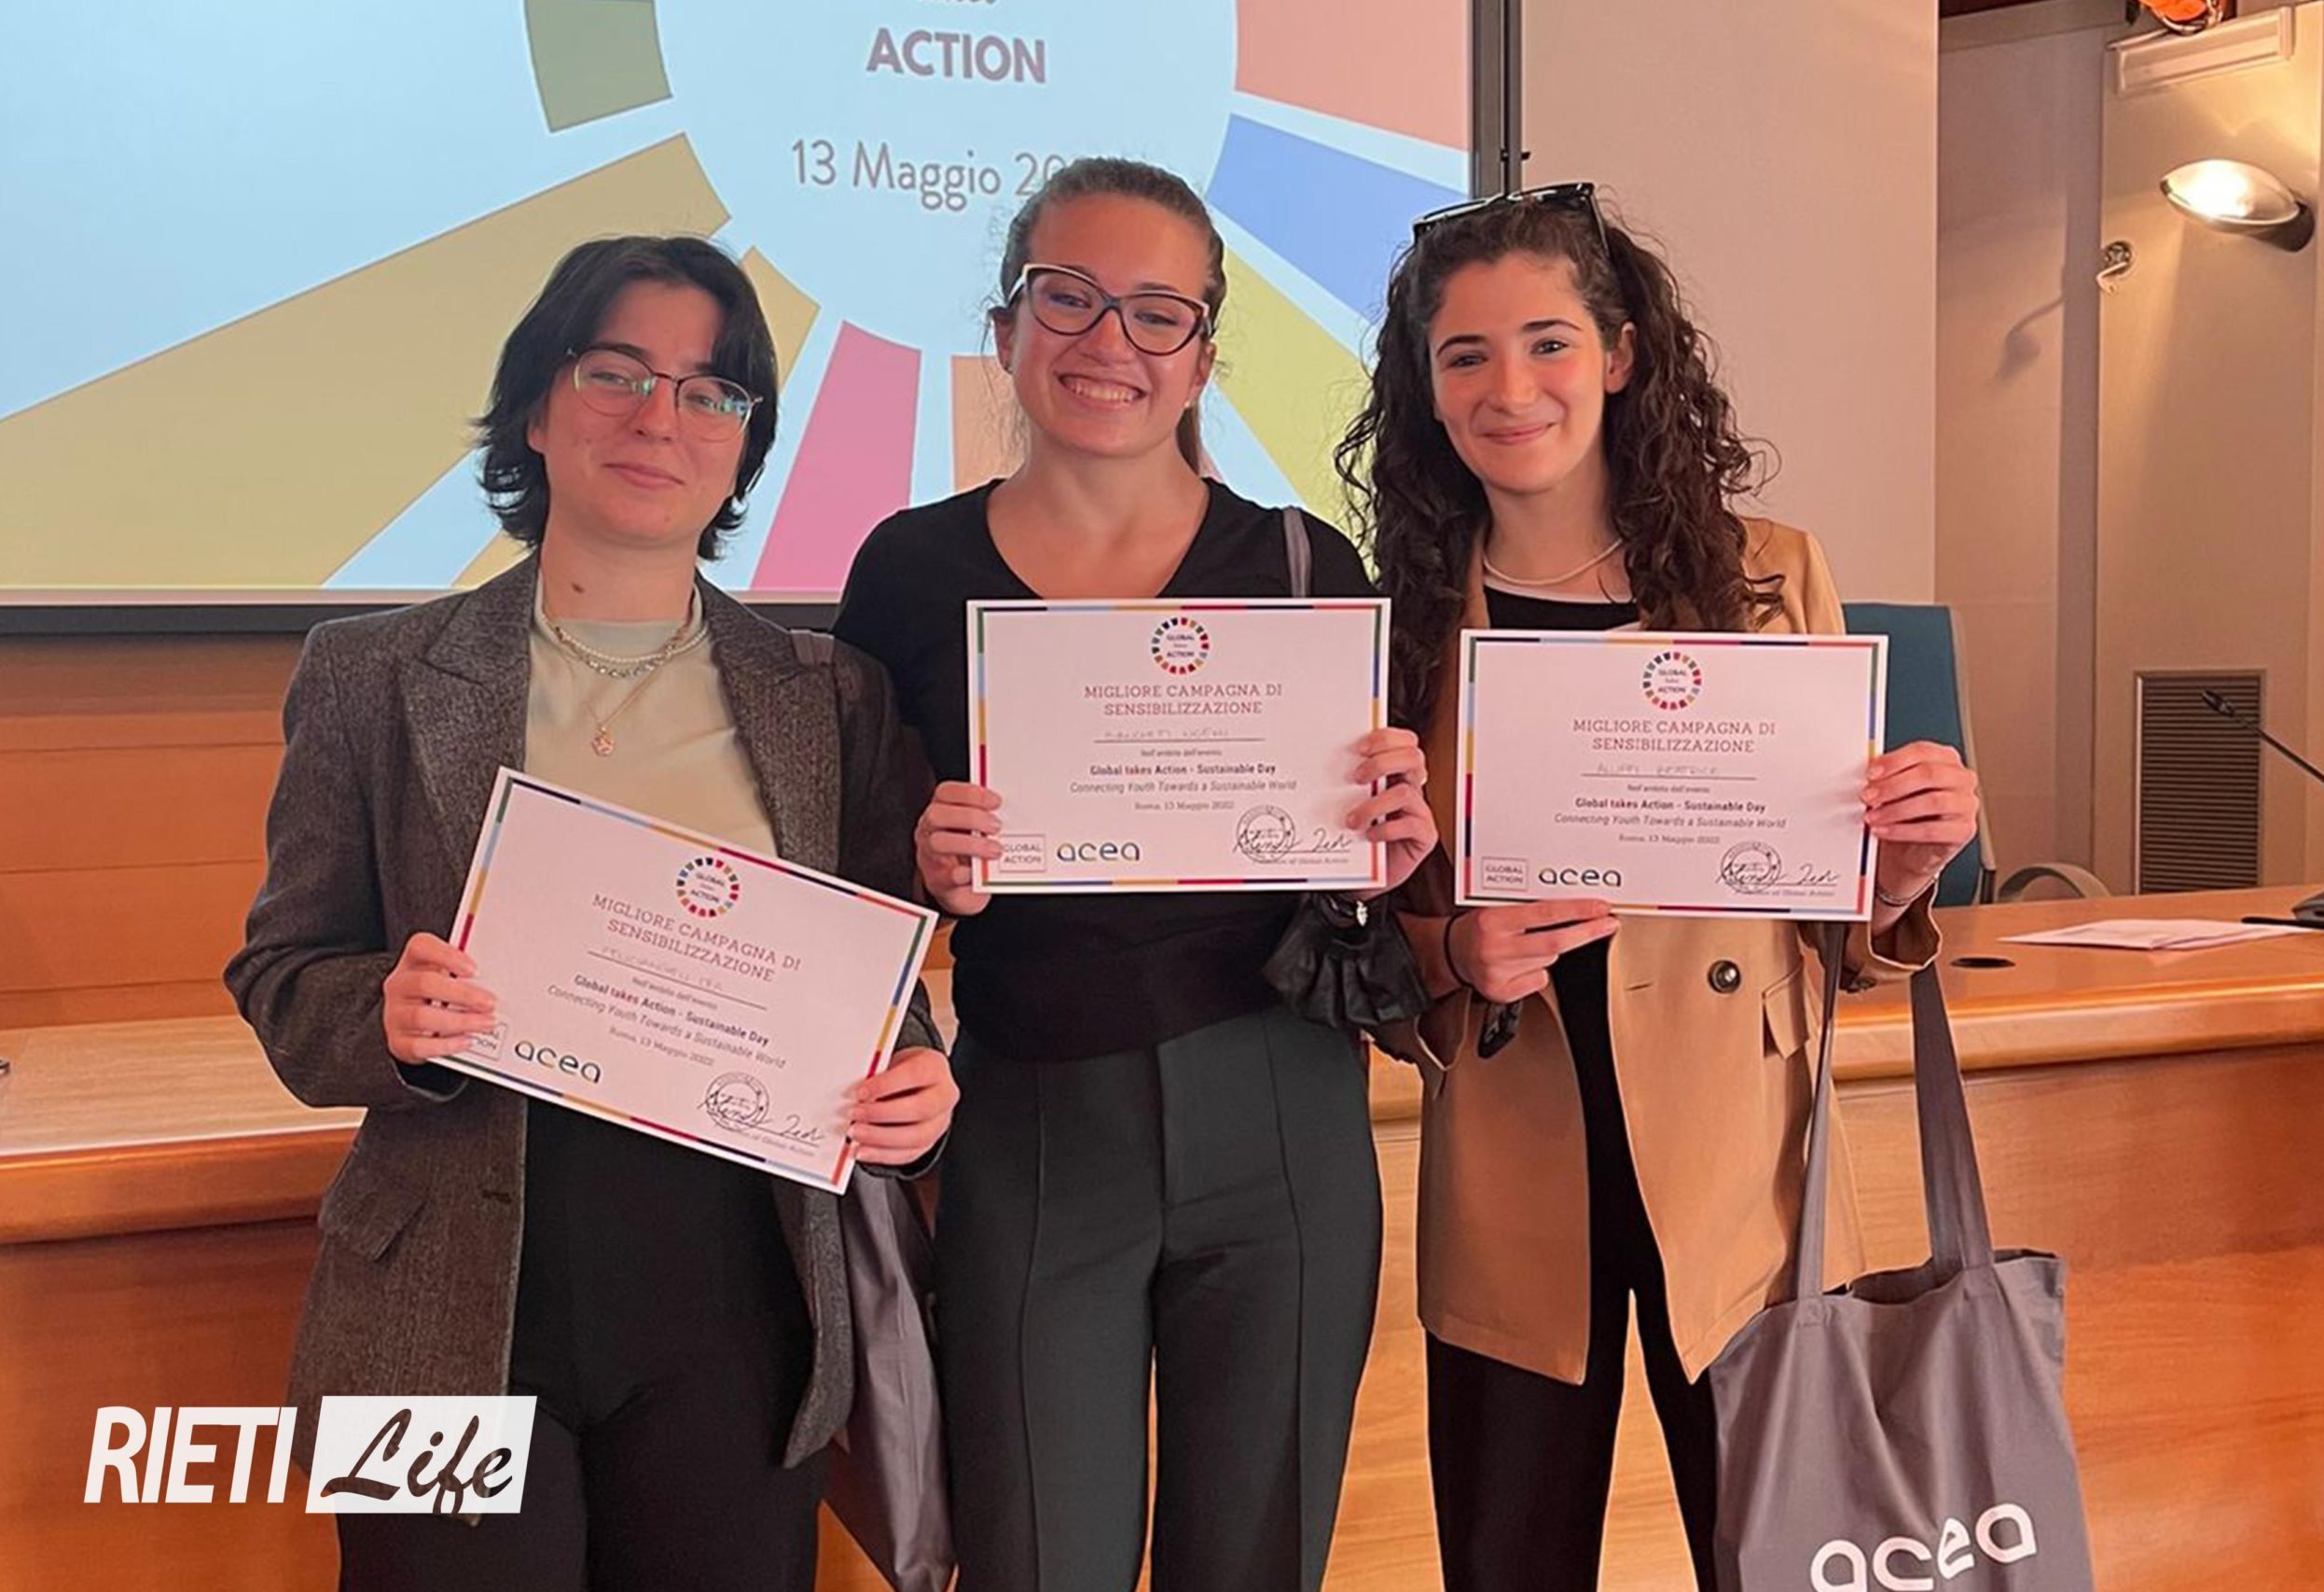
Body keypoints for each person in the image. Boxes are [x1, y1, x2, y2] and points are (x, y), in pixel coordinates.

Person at [225, 234, 957, 1590]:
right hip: (435, 1300)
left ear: (743, 447)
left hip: (743, 1303)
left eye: (708, 391)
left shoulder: (828, 696)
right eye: (616, 372)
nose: (657, 418)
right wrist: (385, 1017)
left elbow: (872, 980)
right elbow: (282, 972)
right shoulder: (370, 673)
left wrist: (916, 1079)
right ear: (535, 408)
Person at [1343, 185, 1981, 1591]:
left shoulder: (1772, 575)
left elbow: (1832, 916)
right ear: (1426, 389)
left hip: (1744, 1163)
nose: (1511, 388)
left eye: (1549, 343)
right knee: (1511, 1563)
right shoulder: (1396, 618)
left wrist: (1902, 870)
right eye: (1465, 355)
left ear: (1622, 354)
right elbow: (1364, 931)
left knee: (1785, 1563)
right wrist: (1453, 952)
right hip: (1516, 1153)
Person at [833, 157, 1435, 1592]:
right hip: (1035, 1122)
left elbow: (1371, 880)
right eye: (1069, 298)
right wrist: (920, 867)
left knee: (1255, 1558)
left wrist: (1396, 846)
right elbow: (844, 874)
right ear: (1004, 328)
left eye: (1157, 312)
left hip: (1282, 1113)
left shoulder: (1306, 566)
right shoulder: (908, 570)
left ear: (1204, 357)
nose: (1111, 340)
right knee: (1039, 1557)